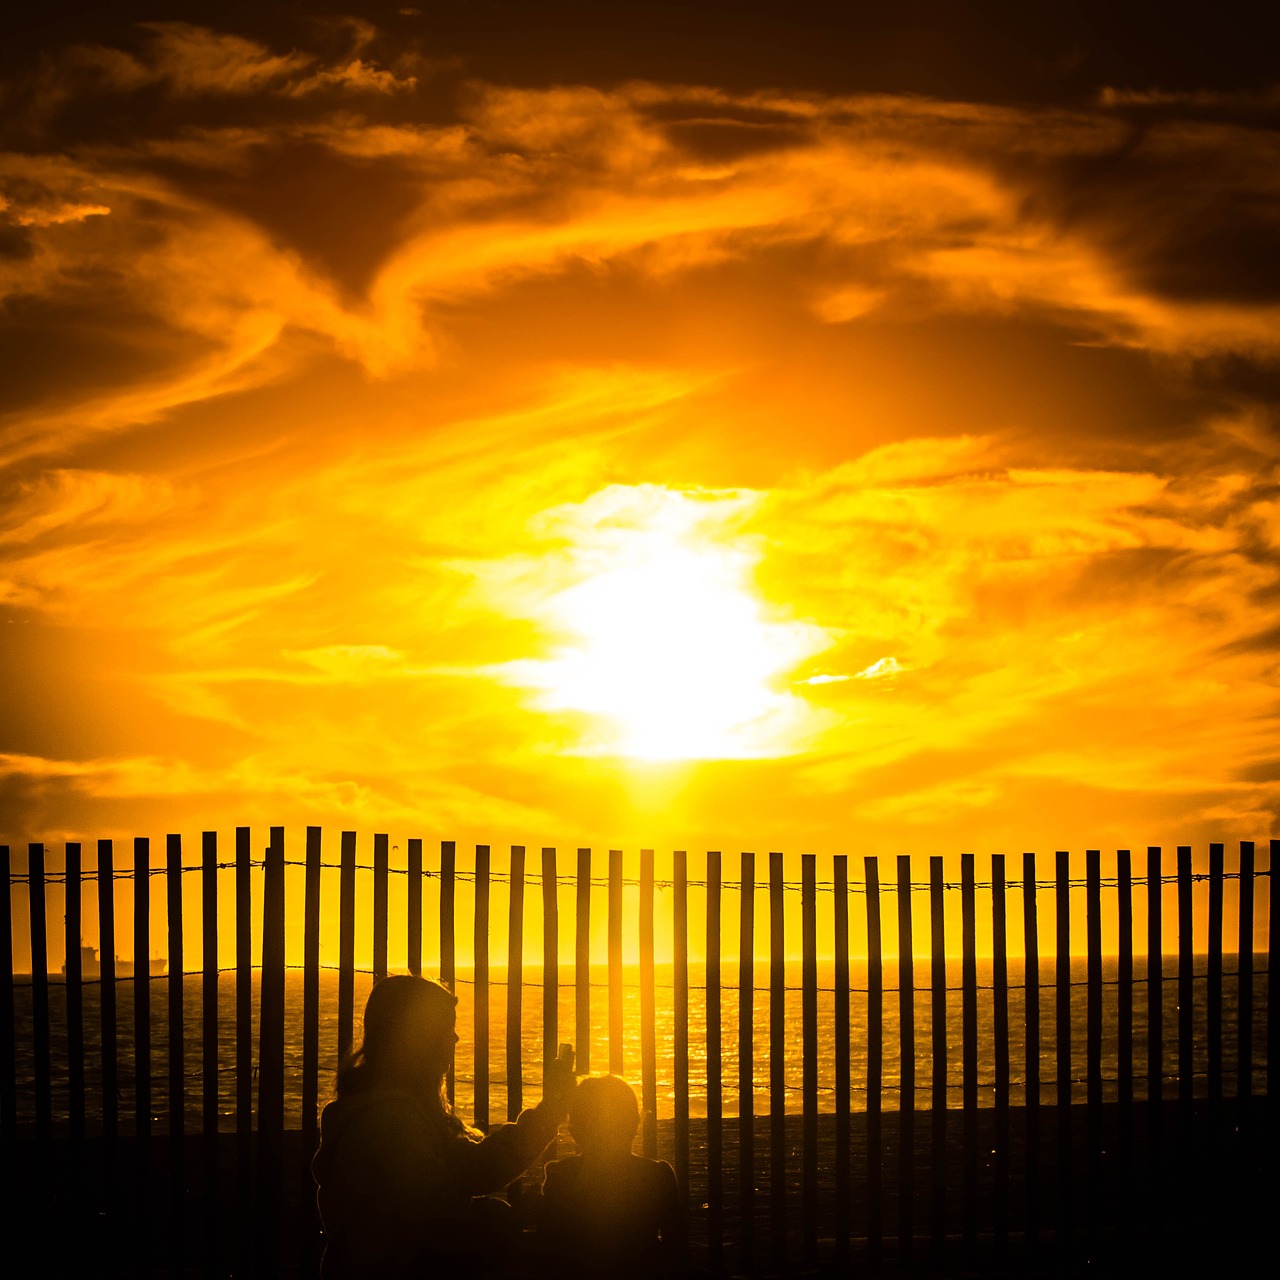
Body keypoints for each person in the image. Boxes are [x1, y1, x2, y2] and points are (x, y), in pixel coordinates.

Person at [311, 974, 574, 1280]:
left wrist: (547, 1114)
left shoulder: (393, 1109)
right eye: (446, 1027)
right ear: (416, 1038)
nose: (455, 1039)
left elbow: (468, 1168)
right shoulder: (389, 1121)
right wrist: (505, 1218)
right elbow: (440, 1219)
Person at [538, 1074, 688, 1278]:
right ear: (635, 1123)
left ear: (575, 1129)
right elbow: (676, 1246)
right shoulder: (657, 1175)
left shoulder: (560, 1174)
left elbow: (549, 1246)